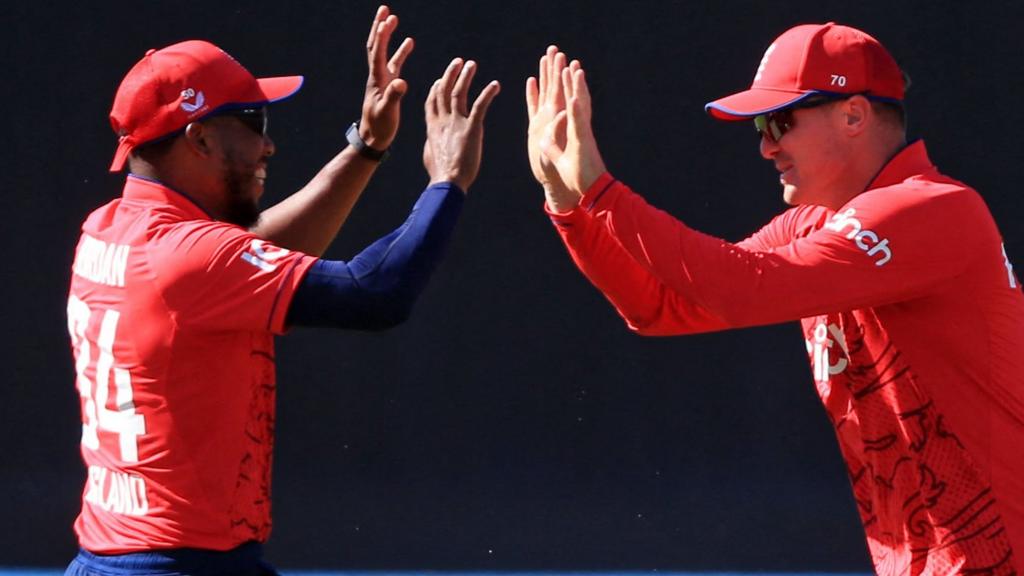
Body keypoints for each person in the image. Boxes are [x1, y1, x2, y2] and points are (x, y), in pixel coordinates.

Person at [526, 23, 1024, 575]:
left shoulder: (933, 208)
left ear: (854, 115)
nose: (766, 146)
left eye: (780, 121)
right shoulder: (813, 223)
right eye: (761, 126)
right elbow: (659, 307)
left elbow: (740, 288)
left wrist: (600, 189)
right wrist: (568, 202)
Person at [65, 5, 499, 574]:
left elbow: (246, 259)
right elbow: (377, 294)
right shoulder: (187, 257)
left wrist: (366, 148)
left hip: (115, 559)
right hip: (182, 567)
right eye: (253, 122)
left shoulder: (107, 228)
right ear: (197, 139)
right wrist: (447, 182)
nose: (267, 146)